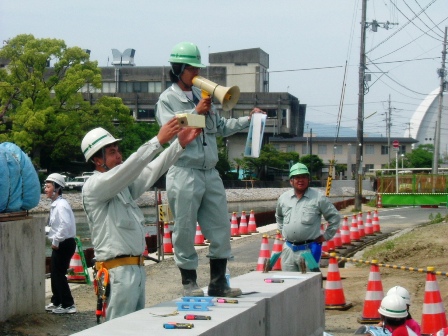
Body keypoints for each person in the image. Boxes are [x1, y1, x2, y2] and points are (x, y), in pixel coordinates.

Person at [155, 41, 265, 298]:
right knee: (184, 228)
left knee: (220, 228)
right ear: (179, 69)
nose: (196, 73)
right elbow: (172, 129)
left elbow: (222, 127)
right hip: (183, 171)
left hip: (209, 172)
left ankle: (218, 282)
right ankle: (189, 282)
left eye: (197, 68)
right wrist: (196, 111)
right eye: (192, 68)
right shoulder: (167, 99)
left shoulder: (202, 98)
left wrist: (250, 120)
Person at [81, 119, 200, 321]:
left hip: (135, 270)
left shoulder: (121, 189)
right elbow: (131, 167)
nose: (119, 157)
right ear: (96, 160)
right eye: (111, 153)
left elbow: (149, 171)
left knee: (135, 327)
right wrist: (157, 140)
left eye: (118, 151)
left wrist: (178, 145)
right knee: (118, 331)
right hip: (117, 273)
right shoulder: (95, 186)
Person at [275, 162, 340, 272]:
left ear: (308, 179)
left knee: (310, 284)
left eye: (304, 177)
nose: (301, 180)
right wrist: (283, 231)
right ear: (291, 181)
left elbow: (334, 217)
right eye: (297, 177)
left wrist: (326, 236)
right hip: (288, 250)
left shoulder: (318, 198)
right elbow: (279, 216)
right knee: (288, 284)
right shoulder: (283, 198)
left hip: (309, 250)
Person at [44, 173, 77, 314]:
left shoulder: (61, 206)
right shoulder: (56, 204)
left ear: (57, 188)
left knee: (59, 274)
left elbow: (65, 225)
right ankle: (56, 301)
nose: (45, 188)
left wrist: (56, 240)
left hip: (64, 243)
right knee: (55, 272)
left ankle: (68, 304)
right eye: (45, 186)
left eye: (48, 186)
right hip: (61, 242)